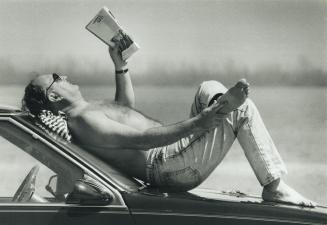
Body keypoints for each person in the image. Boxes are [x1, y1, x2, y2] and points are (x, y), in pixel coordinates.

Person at [22, 38, 315, 207]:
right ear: (54, 96)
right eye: (57, 78)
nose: (64, 77)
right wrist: (201, 122)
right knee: (244, 110)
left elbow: (124, 109)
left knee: (207, 88)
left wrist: (120, 65)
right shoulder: (83, 121)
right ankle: (274, 185)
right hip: (168, 168)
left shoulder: (88, 110)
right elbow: (144, 139)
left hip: (170, 157)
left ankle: (220, 106)